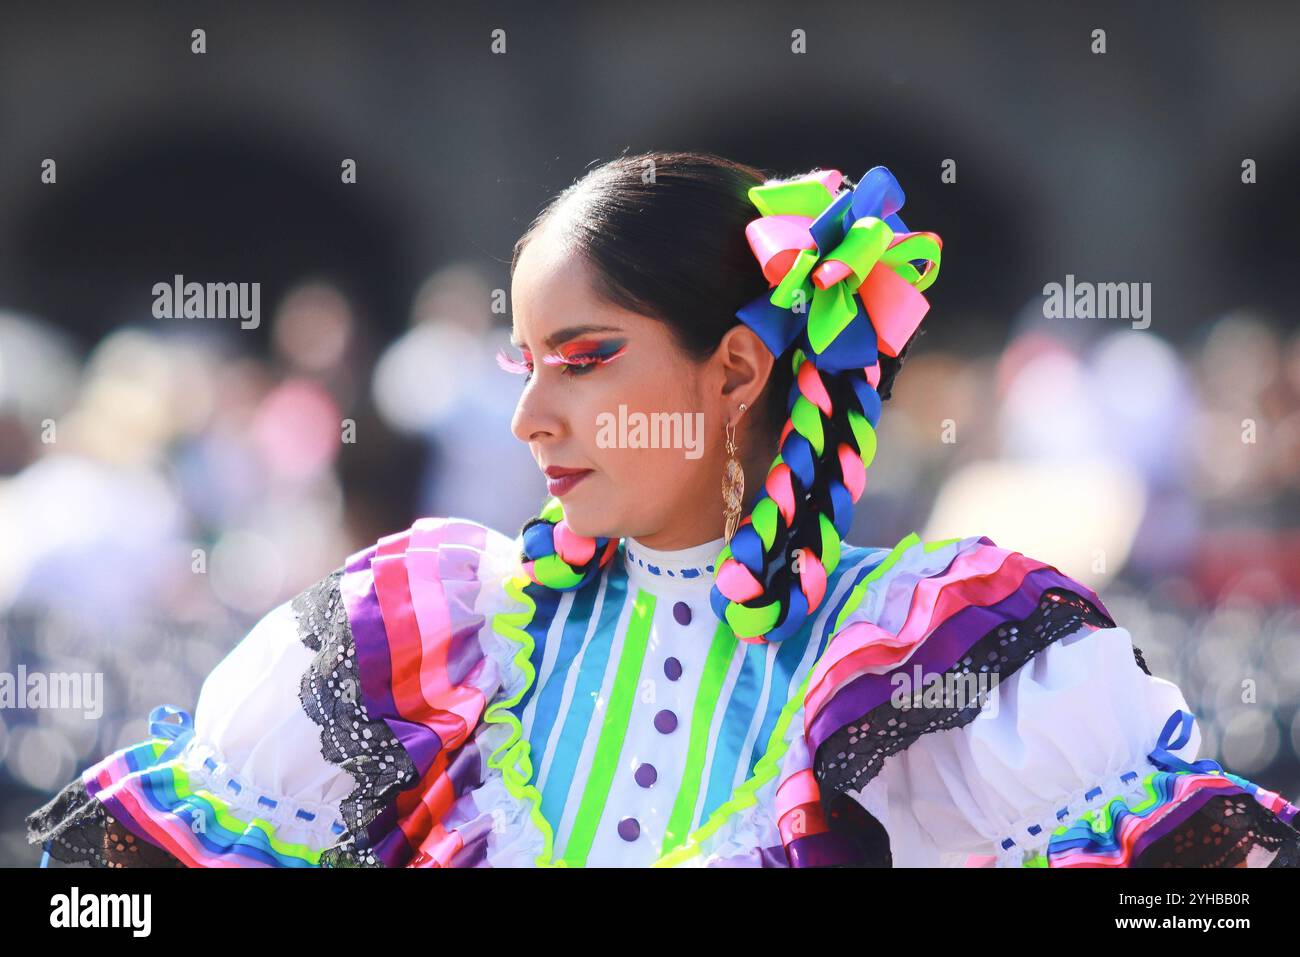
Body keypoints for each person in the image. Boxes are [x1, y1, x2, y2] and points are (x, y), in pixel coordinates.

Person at [26, 151, 1300, 868]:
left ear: (735, 371)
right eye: (524, 367)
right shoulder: (416, 634)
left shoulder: (935, 653)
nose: (532, 419)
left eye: (584, 359)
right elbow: (97, 897)